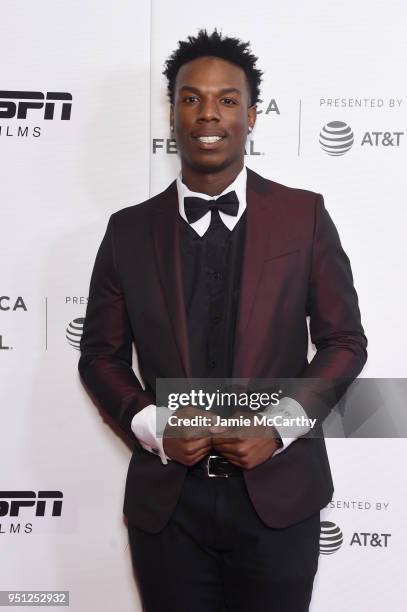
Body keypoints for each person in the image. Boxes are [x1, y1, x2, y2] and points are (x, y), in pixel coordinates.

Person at [79, 29, 367, 612]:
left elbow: (343, 341)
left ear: (253, 115)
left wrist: (280, 427)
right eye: (191, 98)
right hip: (169, 509)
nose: (208, 113)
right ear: (173, 113)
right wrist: (152, 425)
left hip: (280, 499)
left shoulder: (302, 215)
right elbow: (100, 356)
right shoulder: (128, 231)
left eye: (227, 99)